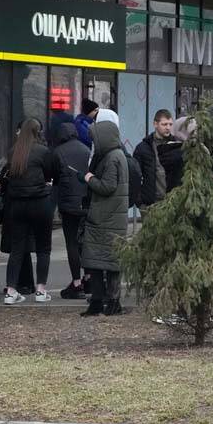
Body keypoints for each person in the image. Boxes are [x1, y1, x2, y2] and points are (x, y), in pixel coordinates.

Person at [2, 118, 61, 305]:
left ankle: (11, 291)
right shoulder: (43, 151)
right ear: (38, 132)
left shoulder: (13, 152)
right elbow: (51, 174)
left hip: (17, 205)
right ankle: (41, 290)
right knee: (43, 248)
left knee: (17, 249)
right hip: (39, 202)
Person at [81, 119, 129, 316]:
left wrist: (89, 178)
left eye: (95, 139)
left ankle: (104, 302)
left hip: (105, 218)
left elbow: (107, 187)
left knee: (103, 261)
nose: (94, 143)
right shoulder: (116, 155)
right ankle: (107, 301)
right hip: (110, 218)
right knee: (105, 262)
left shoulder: (112, 158)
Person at [53, 121, 91, 299]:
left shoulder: (58, 152)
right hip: (85, 203)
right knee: (85, 242)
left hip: (68, 205)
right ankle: (89, 278)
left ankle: (76, 283)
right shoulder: (86, 149)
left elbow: (55, 178)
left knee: (72, 244)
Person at [134, 109, 185, 207]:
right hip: (150, 203)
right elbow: (135, 175)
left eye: (170, 124)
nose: (168, 128)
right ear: (155, 124)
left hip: (173, 203)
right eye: (164, 124)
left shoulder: (177, 145)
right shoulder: (143, 148)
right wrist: (140, 200)